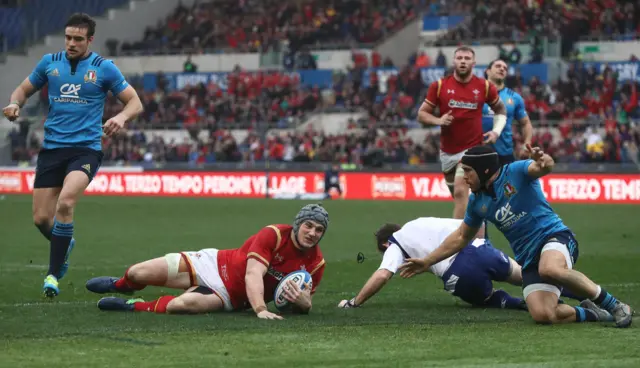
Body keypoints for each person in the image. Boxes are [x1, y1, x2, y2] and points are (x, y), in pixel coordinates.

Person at [398, 145, 633, 328]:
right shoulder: (477, 202)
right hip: (529, 259)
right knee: (543, 315)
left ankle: (615, 305)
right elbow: (461, 237)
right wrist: (427, 261)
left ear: (484, 170)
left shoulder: (516, 172)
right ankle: (593, 313)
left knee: (550, 268)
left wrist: (544, 160)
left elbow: (544, 167)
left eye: (468, 171)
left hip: (555, 237)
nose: (464, 177)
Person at [1, 13, 143, 298]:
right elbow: (23, 89)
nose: (71, 43)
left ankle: (52, 275)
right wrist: (14, 103)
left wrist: (122, 117)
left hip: (86, 150)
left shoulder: (104, 68)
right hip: (52, 149)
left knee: (66, 203)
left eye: (78, 39)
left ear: (90, 40)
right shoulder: (49, 64)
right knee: (42, 219)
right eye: (68, 38)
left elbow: (135, 101)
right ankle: (65, 243)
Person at [85, 204, 328, 320]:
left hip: (230, 296)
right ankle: (121, 284)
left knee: (181, 306)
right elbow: (253, 274)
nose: (312, 233)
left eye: (319, 230)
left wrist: (304, 303)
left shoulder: (316, 264)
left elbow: (303, 304)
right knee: (139, 273)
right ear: (298, 224)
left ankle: (132, 305)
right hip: (213, 262)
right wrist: (261, 310)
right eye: (308, 225)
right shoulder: (274, 234)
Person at [338, 217, 527, 311]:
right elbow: (477, 224)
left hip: (458, 273)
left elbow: (383, 275)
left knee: (486, 299)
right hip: (481, 249)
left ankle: (515, 303)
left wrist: (353, 302)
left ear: (385, 244)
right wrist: (484, 251)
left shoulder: (395, 244)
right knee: (522, 275)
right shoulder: (420, 222)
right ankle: (552, 286)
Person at [417, 46, 507, 219]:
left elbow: (501, 110)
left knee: (460, 191)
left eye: (467, 58)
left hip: (471, 149)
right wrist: (438, 121)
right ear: (454, 61)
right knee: (461, 198)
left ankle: (459, 241)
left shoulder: (485, 87)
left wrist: (496, 132)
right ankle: (477, 233)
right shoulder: (439, 86)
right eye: (459, 58)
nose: (463, 61)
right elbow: (421, 114)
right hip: (447, 152)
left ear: (473, 62)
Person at [482, 59, 533, 165]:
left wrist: (526, 143)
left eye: (505, 68)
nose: (502, 69)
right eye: (498, 66)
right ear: (488, 71)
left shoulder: (514, 97)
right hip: (477, 152)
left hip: (504, 155)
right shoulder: (475, 93)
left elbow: (526, 123)